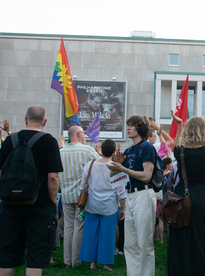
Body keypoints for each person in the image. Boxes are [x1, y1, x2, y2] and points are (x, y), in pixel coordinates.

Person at [0, 106, 63, 276]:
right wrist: (53, 200)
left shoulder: (10, 140)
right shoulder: (49, 141)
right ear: (45, 122)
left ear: (25, 119)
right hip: (39, 206)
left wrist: (4, 195)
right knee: (36, 256)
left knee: (7, 256)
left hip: (10, 206)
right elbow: (53, 177)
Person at [167, 109, 205, 275]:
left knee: (181, 234)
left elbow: (177, 142)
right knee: (202, 236)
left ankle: (182, 269)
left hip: (182, 195)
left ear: (188, 130)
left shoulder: (179, 151)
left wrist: (179, 123)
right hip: (202, 196)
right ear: (204, 131)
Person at [107, 115, 157, 276]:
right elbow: (114, 178)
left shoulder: (147, 147)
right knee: (129, 244)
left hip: (143, 194)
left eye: (132, 125)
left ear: (141, 129)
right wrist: (116, 165)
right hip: (131, 196)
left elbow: (146, 176)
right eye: (128, 125)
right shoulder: (128, 150)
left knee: (145, 243)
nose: (128, 128)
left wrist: (123, 169)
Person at [79, 139, 126, 271]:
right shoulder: (115, 167)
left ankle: (91, 263)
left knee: (91, 234)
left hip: (92, 204)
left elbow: (83, 184)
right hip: (109, 206)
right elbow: (120, 191)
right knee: (108, 235)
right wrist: (123, 208)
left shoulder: (90, 164)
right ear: (113, 152)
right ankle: (106, 264)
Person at [59, 125, 100, 268]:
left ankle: (67, 261)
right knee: (79, 227)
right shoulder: (87, 150)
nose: (85, 136)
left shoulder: (61, 152)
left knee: (68, 227)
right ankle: (76, 260)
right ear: (78, 134)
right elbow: (102, 164)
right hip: (81, 197)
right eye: (83, 133)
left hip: (66, 195)